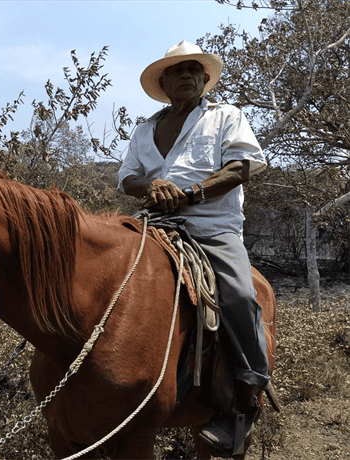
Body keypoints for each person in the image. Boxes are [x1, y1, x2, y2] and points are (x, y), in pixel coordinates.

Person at [117, 40, 269, 455]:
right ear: (163, 82)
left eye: (193, 71)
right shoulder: (145, 128)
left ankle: (245, 400)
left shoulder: (227, 116)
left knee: (238, 292)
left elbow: (240, 167)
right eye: (177, 70)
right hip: (155, 222)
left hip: (212, 228)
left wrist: (191, 194)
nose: (186, 75)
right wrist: (152, 185)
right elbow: (127, 177)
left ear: (204, 80)